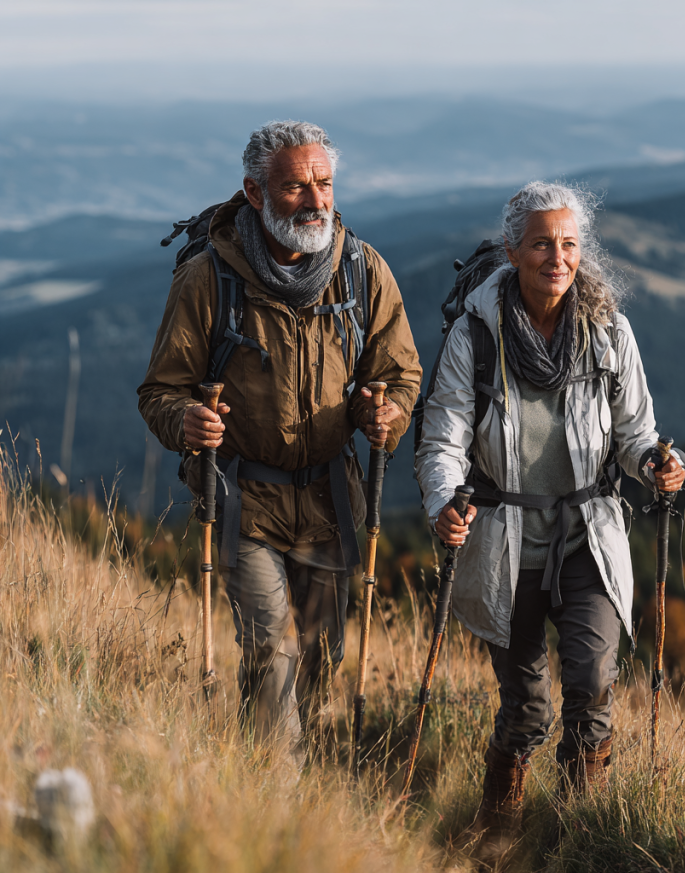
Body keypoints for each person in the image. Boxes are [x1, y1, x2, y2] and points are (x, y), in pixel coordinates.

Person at [414, 181, 685, 860]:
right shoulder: (474, 335)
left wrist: (655, 462)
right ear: (512, 249)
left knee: (591, 684)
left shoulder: (606, 328)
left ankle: (578, 837)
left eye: (567, 244)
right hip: (503, 538)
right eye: (541, 243)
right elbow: (441, 440)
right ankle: (498, 831)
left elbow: (634, 431)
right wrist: (445, 501)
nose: (556, 258)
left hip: (588, 531)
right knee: (526, 705)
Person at [138, 120, 422, 759]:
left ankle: (281, 756)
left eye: (324, 183)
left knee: (324, 652)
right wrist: (184, 422)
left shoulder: (360, 271)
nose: (317, 200)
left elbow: (400, 371)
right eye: (296, 187)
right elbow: (160, 390)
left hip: (330, 497)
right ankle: (278, 800)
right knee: (271, 649)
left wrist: (387, 414)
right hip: (246, 498)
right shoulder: (210, 279)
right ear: (255, 191)